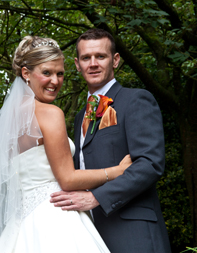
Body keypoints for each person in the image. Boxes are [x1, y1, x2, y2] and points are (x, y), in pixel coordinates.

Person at [0, 36, 132, 253]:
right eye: (47, 73)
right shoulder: (51, 114)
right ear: (26, 73)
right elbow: (68, 179)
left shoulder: (9, 121)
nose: (55, 81)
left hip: (22, 224)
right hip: (55, 216)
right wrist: (117, 171)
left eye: (60, 73)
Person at [50, 29, 172, 253]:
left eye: (101, 56)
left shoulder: (136, 100)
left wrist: (96, 198)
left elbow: (150, 164)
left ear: (115, 60)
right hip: (89, 233)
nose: (93, 63)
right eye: (86, 58)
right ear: (77, 64)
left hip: (133, 233)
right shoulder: (79, 118)